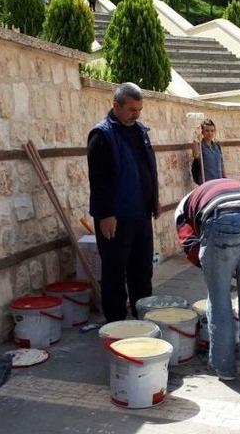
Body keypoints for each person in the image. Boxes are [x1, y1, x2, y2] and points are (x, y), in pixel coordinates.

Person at [176, 179, 240, 383]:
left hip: (222, 219)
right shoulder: (222, 187)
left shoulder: (182, 209)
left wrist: (216, 268)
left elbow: (190, 245)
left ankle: (225, 368)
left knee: (219, 302)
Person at [87, 82, 160, 322]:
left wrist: (154, 200)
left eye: (139, 110)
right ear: (115, 105)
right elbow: (99, 180)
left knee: (142, 270)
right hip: (115, 218)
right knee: (115, 272)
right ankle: (117, 324)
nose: (136, 114)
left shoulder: (139, 130)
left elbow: (147, 167)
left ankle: (143, 318)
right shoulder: (102, 135)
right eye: (131, 110)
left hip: (140, 215)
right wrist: (105, 214)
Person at [191, 119, 225, 184]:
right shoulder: (200, 145)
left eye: (212, 131)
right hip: (206, 182)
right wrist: (196, 137)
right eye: (207, 131)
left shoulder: (216, 145)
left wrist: (225, 178)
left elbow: (221, 163)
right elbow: (195, 155)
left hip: (219, 181)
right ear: (202, 132)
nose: (210, 133)